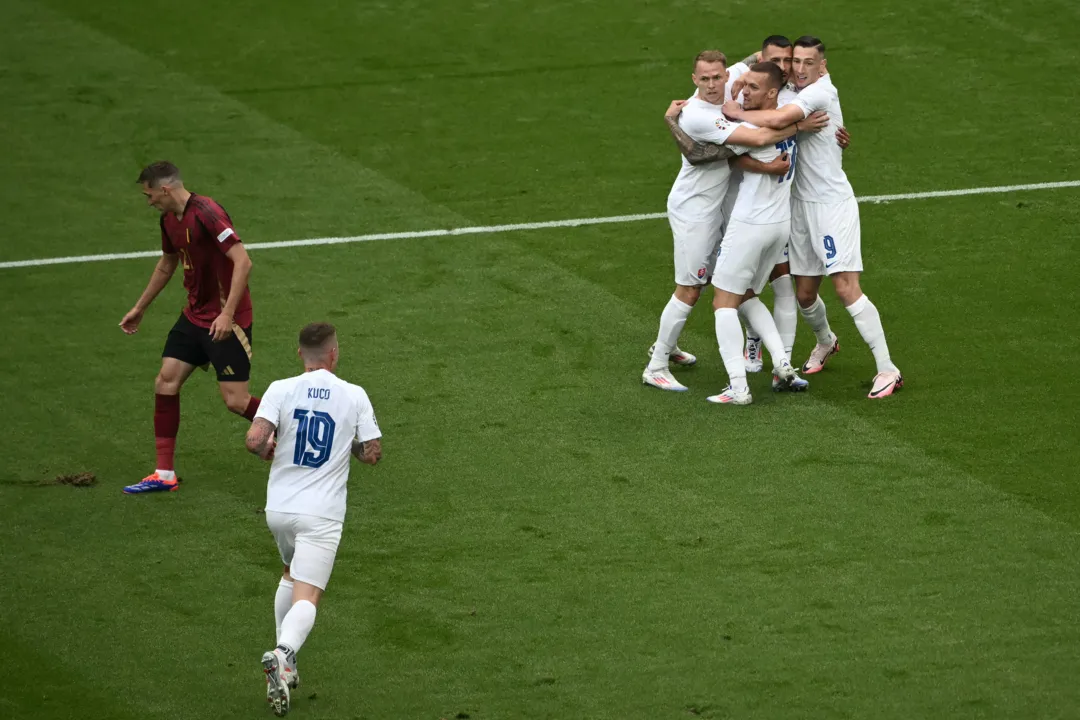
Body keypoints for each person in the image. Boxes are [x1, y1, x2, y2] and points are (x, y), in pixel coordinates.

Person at [722, 36, 903, 398]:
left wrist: (736, 113)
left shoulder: (820, 93)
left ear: (823, 66)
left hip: (831, 204)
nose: (800, 69)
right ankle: (826, 340)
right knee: (804, 295)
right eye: (796, 62)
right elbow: (769, 93)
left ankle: (887, 368)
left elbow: (777, 118)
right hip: (798, 207)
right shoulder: (785, 88)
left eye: (808, 62)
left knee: (845, 288)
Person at [643, 51, 815, 392]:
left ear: (726, 74)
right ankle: (656, 364)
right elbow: (761, 138)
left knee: (739, 290)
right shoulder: (697, 115)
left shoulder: (735, 79)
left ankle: (779, 363)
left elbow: (758, 56)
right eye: (704, 79)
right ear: (693, 79)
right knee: (691, 289)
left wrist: (786, 61)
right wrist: (800, 125)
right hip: (695, 210)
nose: (712, 85)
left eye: (717, 77)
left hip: (720, 209)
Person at [245, 322, 382, 717]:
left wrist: (268, 447)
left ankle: (285, 666)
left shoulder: (280, 388)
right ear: (334, 354)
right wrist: (350, 448)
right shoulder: (353, 395)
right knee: (310, 595)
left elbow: (255, 441)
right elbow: (372, 453)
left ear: (299, 354)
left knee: (289, 573)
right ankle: (283, 652)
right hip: (320, 515)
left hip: (279, 509)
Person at [119, 161, 259, 493]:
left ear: (164, 189)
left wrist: (226, 314)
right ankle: (164, 474)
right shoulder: (167, 220)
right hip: (194, 316)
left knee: (236, 401)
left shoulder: (208, 212)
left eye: (149, 194)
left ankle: (297, 424)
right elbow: (167, 263)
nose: (148, 200)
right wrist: (140, 308)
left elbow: (243, 261)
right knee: (165, 381)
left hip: (228, 320)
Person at [707, 63, 809, 404]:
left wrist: (731, 109)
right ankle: (783, 365)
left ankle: (738, 387)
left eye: (752, 86)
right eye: (743, 84)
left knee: (723, 302)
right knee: (748, 294)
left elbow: (724, 154)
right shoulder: (785, 119)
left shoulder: (752, 123)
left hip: (750, 224)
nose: (743, 90)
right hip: (778, 226)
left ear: (771, 93)